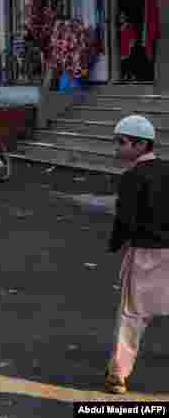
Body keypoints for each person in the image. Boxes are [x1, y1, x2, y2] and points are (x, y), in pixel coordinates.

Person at [105, 115, 169, 395]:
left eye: (122, 142)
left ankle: (118, 375)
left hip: (146, 254)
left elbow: (125, 220)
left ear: (141, 144)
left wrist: (115, 243)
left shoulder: (132, 177)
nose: (117, 148)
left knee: (132, 315)